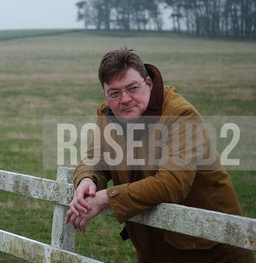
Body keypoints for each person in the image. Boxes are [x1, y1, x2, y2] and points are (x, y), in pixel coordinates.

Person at [64, 48, 254, 263]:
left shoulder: (180, 115)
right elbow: (95, 158)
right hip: (154, 249)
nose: (125, 99)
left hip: (210, 248)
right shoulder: (109, 114)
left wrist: (106, 198)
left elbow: (172, 183)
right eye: (114, 93)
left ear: (149, 83)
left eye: (132, 88)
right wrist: (87, 179)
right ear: (105, 96)